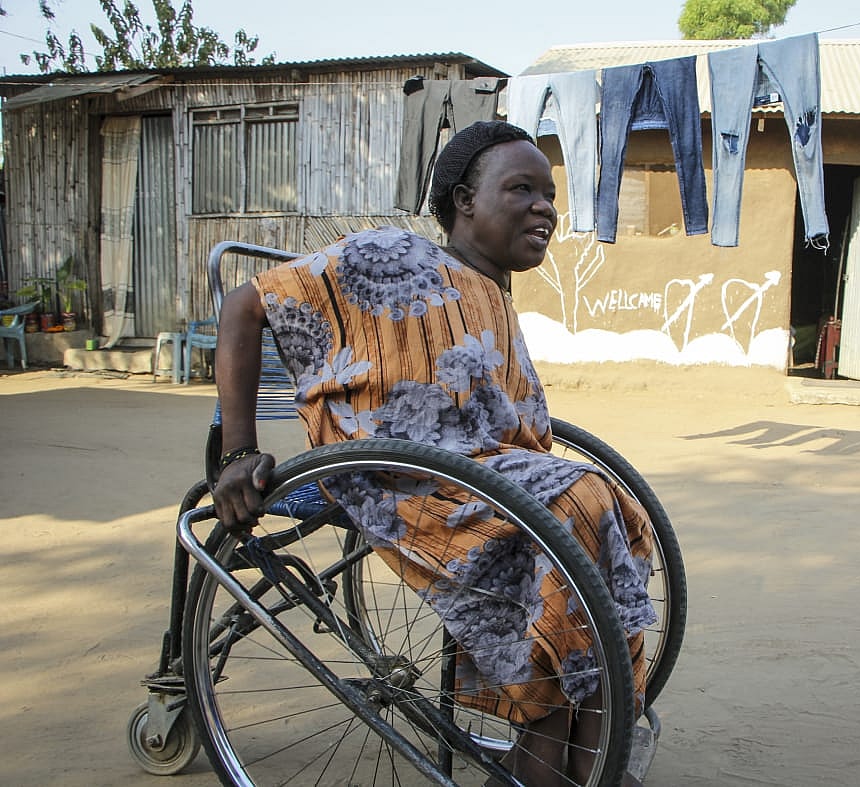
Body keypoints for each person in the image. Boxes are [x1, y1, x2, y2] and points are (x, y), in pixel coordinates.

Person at [211, 120, 656, 785]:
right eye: (522, 188)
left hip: (478, 475)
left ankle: (592, 748)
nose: (545, 207)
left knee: (599, 503)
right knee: (577, 502)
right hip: (390, 473)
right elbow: (245, 306)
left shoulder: (493, 296)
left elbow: (511, 428)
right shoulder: (395, 253)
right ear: (463, 199)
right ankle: (554, 751)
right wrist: (236, 450)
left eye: (550, 194)